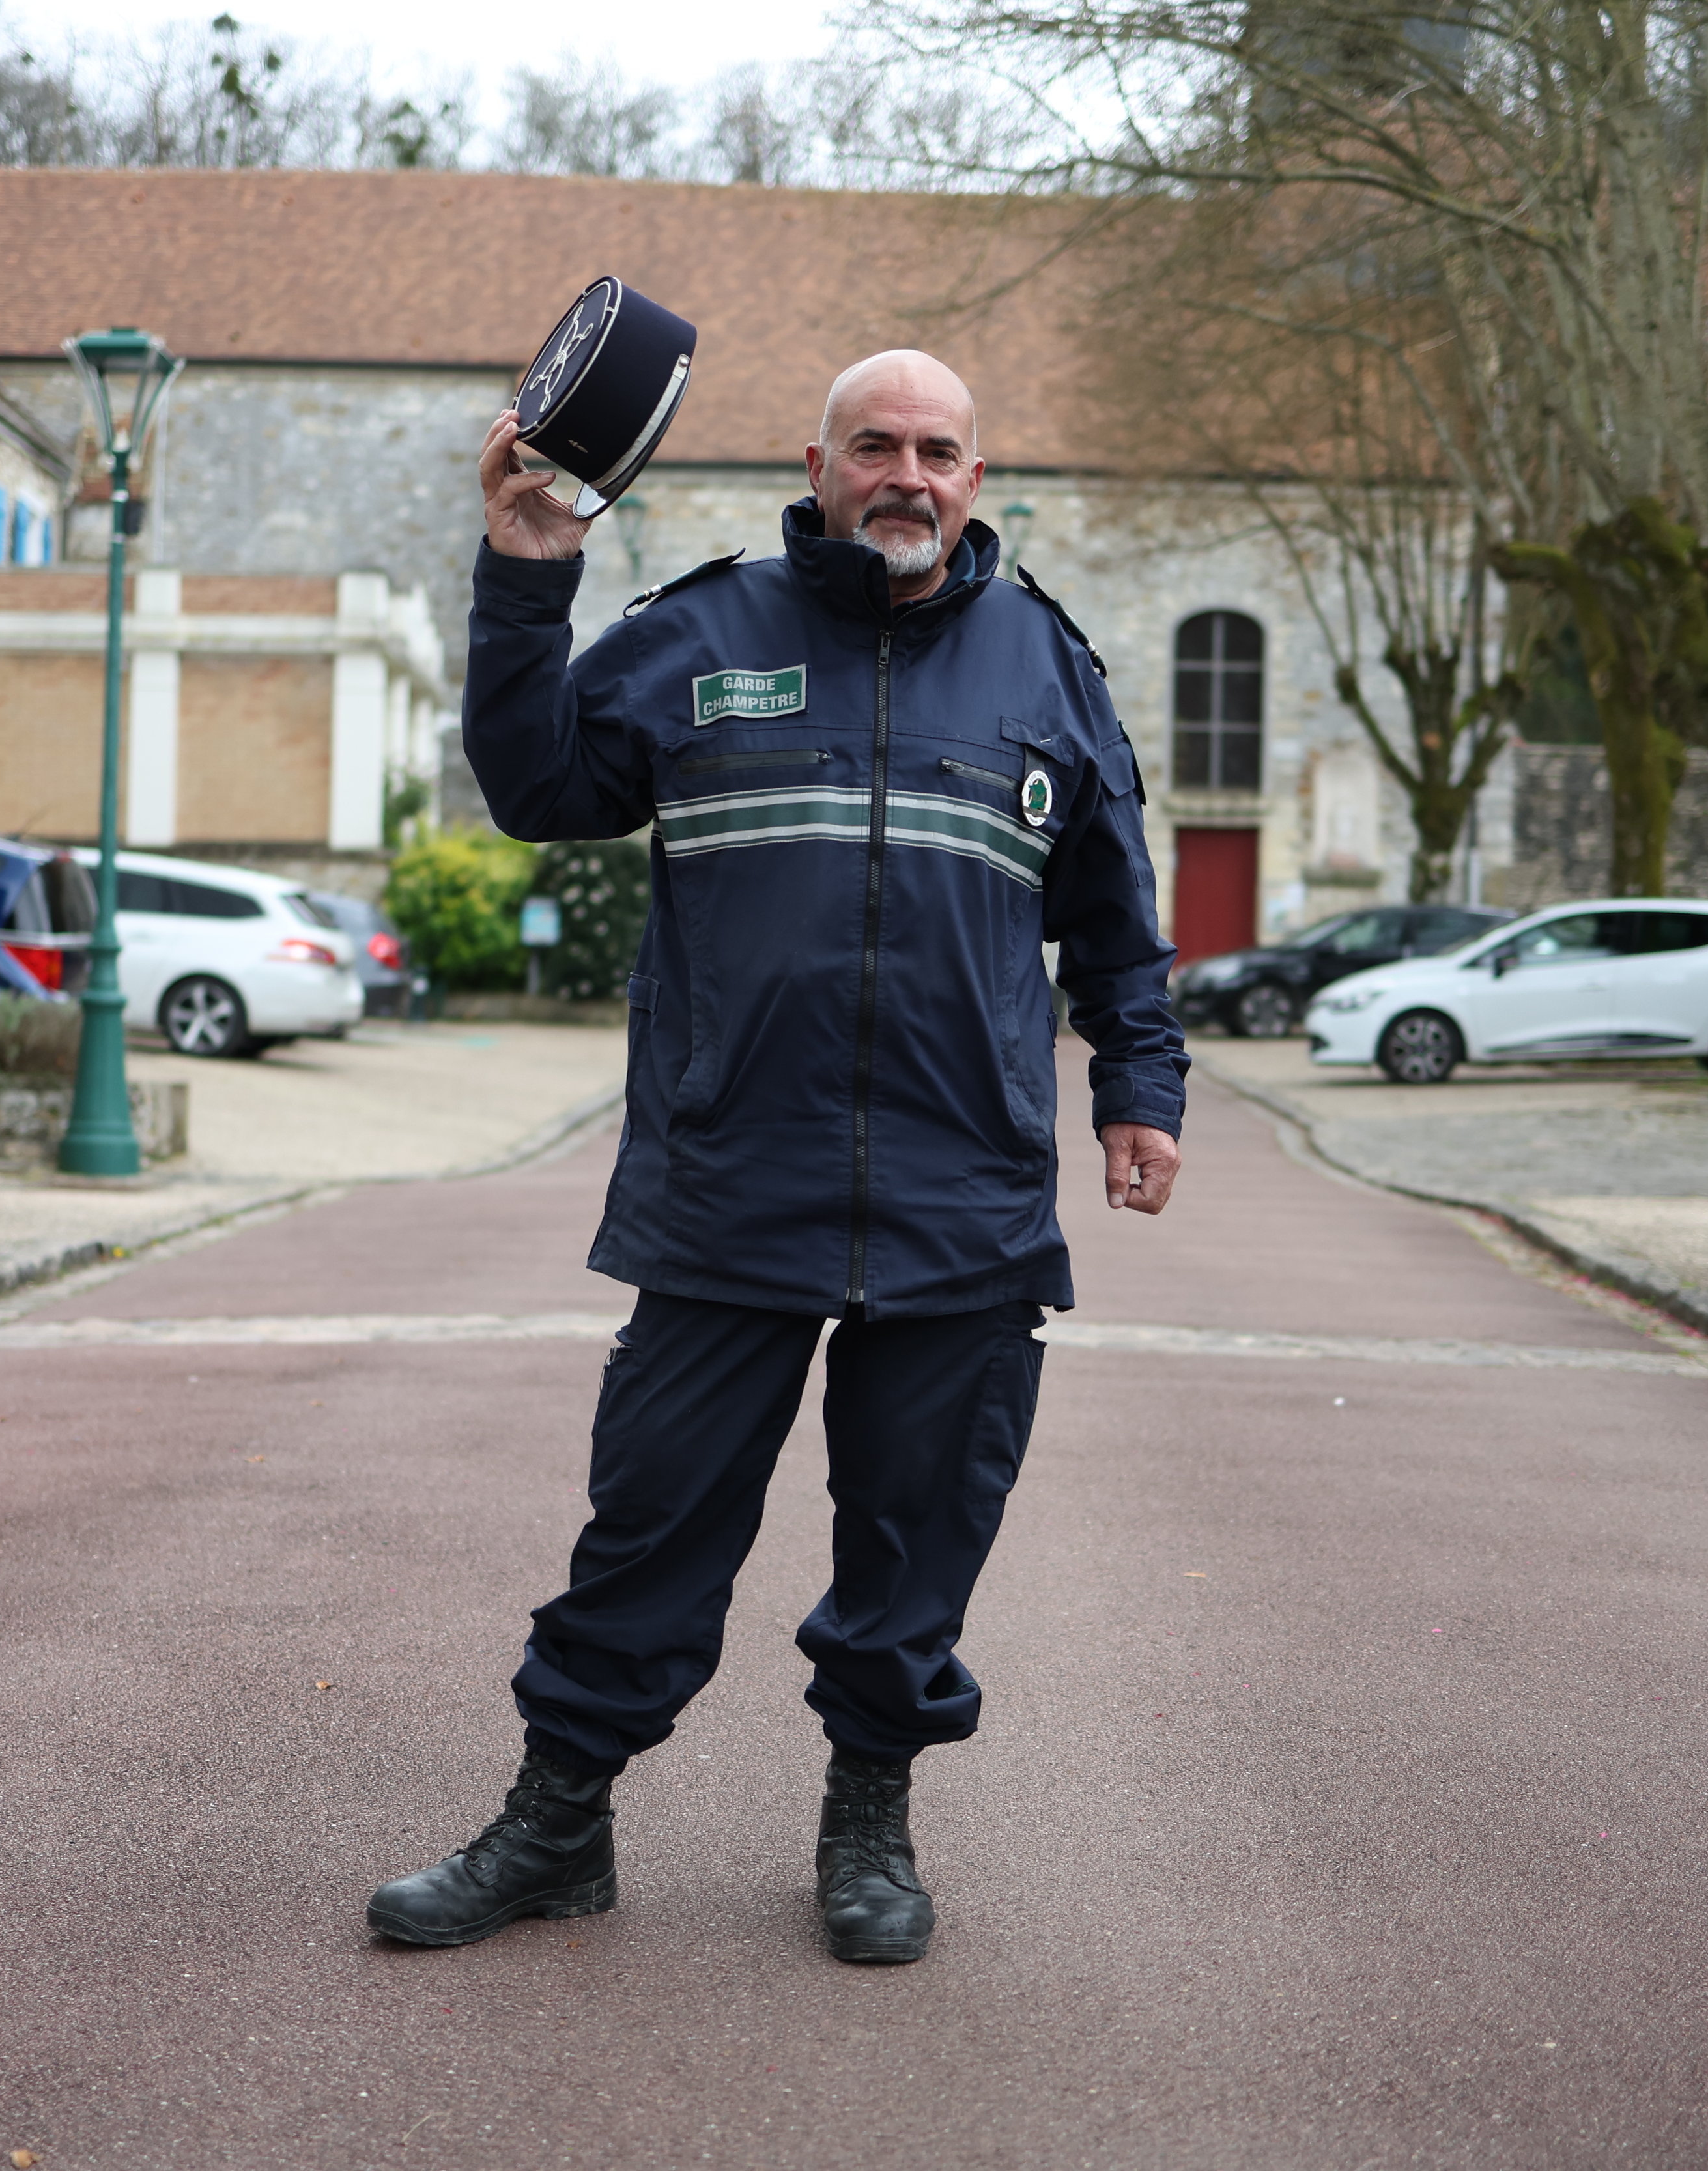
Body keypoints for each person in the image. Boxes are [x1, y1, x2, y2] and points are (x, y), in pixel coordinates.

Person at [367, 350, 1188, 1965]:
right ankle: (557, 1822)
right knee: (648, 1522)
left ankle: (867, 1820)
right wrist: (528, 578)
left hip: (962, 1198)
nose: (906, 474)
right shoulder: (702, 631)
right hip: (729, 1178)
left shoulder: (1048, 667)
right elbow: (537, 787)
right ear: (811, 461)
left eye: (937, 450)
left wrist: (1137, 1086)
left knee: (915, 1536)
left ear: (975, 476)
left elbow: (1112, 912)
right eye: (873, 443)